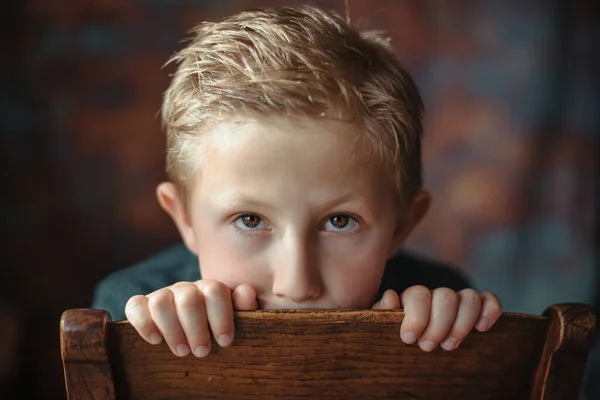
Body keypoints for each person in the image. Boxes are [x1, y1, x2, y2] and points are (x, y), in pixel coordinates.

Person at [92, 5, 502, 359]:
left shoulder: (442, 311)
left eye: (340, 221)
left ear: (401, 224)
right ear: (184, 220)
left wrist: (442, 355)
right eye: (250, 220)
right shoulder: (130, 314)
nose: (296, 284)